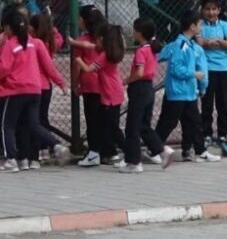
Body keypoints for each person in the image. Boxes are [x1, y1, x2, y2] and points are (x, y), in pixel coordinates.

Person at [0, 5, 70, 172]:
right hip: (35, 90)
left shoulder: (10, 45)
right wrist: (61, 83)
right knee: (32, 124)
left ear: (9, 28)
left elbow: (4, 68)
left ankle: (11, 160)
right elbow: (49, 66)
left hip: (15, 90)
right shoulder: (34, 43)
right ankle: (56, 145)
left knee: (6, 125)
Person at [155, 10, 219, 163]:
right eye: (199, 23)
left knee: (194, 122)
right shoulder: (181, 45)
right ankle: (154, 148)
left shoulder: (188, 44)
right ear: (192, 26)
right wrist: (194, 74)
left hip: (187, 92)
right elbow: (176, 69)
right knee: (168, 122)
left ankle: (201, 151)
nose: (201, 25)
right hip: (178, 92)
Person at [71, 24, 127, 171]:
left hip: (110, 94)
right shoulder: (114, 51)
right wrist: (75, 42)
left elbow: (89, 69)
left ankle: (131, 154)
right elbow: (89, 45)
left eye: (98, 39)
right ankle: (94, 153)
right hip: (112, 93)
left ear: (102, 39)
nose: (95, 42)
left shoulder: (104, 56)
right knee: (99, 126)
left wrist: (78, 60)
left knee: (113, 128)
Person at [121, 18, 172, 173]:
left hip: (139, 89)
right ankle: (162, 150)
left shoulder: (141, 51)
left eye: (134, 30)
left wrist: (125, 80)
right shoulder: (152, 49)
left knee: (132, 127)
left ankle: (134, 162)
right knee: (144, 125)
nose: (132, 33)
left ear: (140, 33)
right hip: (149, 89)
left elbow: (140, 72)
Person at [196, 0, 227, 154]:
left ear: (219, 10)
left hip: (223, 69)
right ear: (203, 10)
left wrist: (221, 42)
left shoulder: (224, 25)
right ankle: (206, 134)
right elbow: (199, 42)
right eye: (207, 9)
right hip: (207, 70)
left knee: (223, 104)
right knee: (206, 104)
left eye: (214, 9)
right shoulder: (200, 25)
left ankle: (223, 135)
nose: (211, 12)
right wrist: (207, 43)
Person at [27, 13, 64, 169]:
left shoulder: (32, 44)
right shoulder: (52, 42)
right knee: (41, 119)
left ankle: (38, 152)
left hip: (35, 86)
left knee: (33, 122)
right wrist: (51, 27)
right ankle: (44, 149)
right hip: (46, 86)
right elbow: (60, 37)